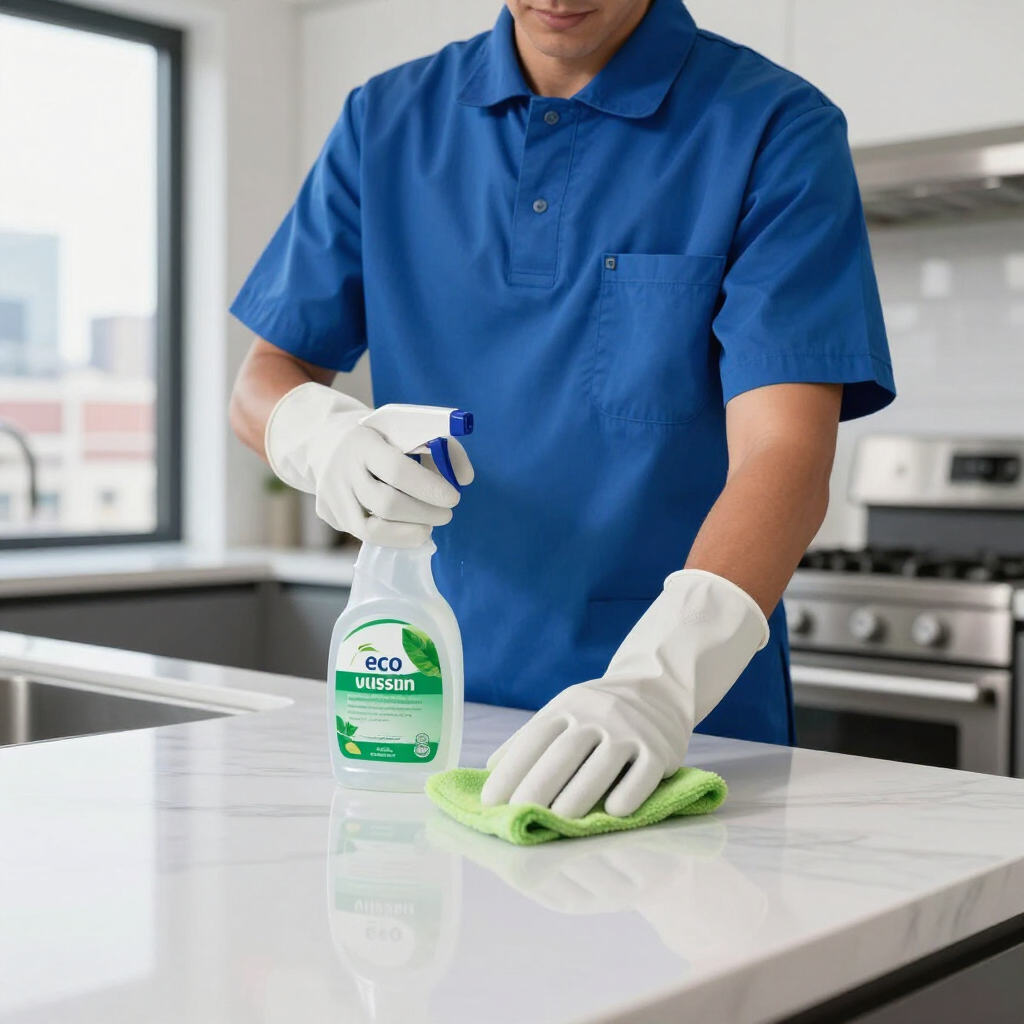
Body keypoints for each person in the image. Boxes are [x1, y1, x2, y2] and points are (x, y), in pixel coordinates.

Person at [229, 0, 895, 819]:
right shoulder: (386, 121)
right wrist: (318, 439)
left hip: (681, 718)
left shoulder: (771, 125)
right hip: (420, 701)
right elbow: (267, 372)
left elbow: (784, 454)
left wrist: (658, 684)